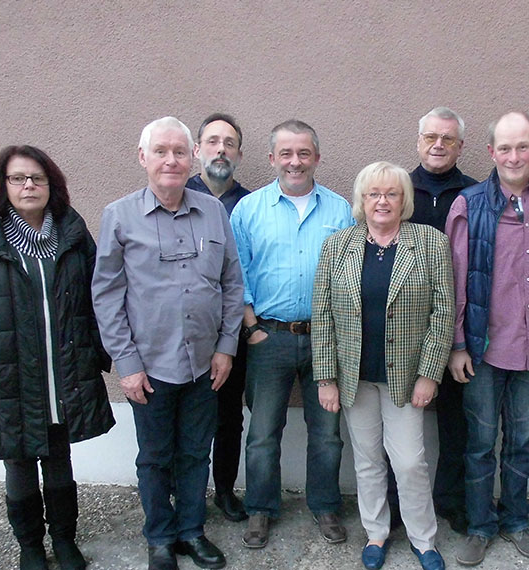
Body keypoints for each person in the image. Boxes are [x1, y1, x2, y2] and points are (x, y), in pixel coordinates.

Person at [92, 117, 244, 570]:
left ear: (192, 156)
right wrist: (126, 362)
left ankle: (192, 531)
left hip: (205, 362)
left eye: (180, 151)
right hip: (150, 366)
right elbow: (106, 295)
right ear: (144, 158)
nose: (171, 160)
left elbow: (232, 283)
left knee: (198, 451)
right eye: (161, 151)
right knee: (156, 456)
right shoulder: (119, 216)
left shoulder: (214, 211)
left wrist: (226, 347)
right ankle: (159, 535)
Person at [0, 146, 115, 570]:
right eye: (18, 178)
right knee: (20, 464)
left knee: (60, 460)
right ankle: (29, 547)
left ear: (50, 185)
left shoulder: (72, 236)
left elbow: (99, 297)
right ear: (1, 186)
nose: (28, 186)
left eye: (37, 178)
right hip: (8, 377)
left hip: (62, 374)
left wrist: (96, 352)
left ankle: (64, 540)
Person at [312, 162, 454, 570]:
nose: (382, 201)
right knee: (368, 460)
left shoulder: (429, 243)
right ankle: (375, 532)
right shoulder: (338, 246)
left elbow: (443, 313)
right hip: (355, 377)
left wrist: (429, 374)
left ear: (404, 199)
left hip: (407, 378)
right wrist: (327, 378)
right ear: (362, 199)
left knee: (410, 461)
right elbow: (323, 316)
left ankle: (423, 540)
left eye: (391, 193)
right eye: (374, 193)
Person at [447, 111, 529, 566]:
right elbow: (457, 280)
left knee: (521, 441)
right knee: (479, 442)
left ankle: (516, 520)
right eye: (505, 147)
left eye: (522, 146)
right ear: (490, 152)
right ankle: (480, 525)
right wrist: (457, 344)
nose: (514, 156)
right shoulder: (470, 204)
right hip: (483, 349)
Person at [230, 119, 354, 549]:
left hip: (326, 337)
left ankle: (325, 505)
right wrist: (251, 329)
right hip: (269, 336)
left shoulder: (341, 211)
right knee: (263, 431)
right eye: (286, 153)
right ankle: (260, 510)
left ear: (317, 157)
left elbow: (350, 277)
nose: (295, 162)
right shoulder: (247, 210)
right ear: (271, 159)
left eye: (303, 153)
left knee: (327, 431)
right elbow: (236, 274)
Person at [407, 107, 478, 533]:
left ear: (460, 146)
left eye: (448, 139)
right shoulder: (398, 189)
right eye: (431, 137)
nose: (438, 145)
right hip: (404, 328)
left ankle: (452, 501)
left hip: (456, 327)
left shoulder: (474, 193)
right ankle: (399, 506)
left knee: (457, 423)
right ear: (418, 141)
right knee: (401, 424)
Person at [187, 112, 251, 523]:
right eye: (212, 142)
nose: (220, 149)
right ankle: (186, 495)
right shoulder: (177, 194)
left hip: (234, 330)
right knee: (187, 423)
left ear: (239, 154)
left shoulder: (250, 202)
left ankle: (225, 490)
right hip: (187, 330)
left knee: (229, 418)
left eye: (228, 143)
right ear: (197, 151)